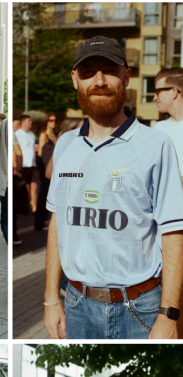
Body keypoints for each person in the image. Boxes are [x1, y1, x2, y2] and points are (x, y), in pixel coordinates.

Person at [44, 37, 183, 340]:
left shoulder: (156, 144)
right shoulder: (66, 144)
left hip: (142, 308)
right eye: (88, 72)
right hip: (77, 305)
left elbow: (173, 233)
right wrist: (51, 299)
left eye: (109, 70)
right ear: (75, 80)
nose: (99, 81)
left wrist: (169, 314)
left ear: (126, 76)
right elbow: (58, 220)